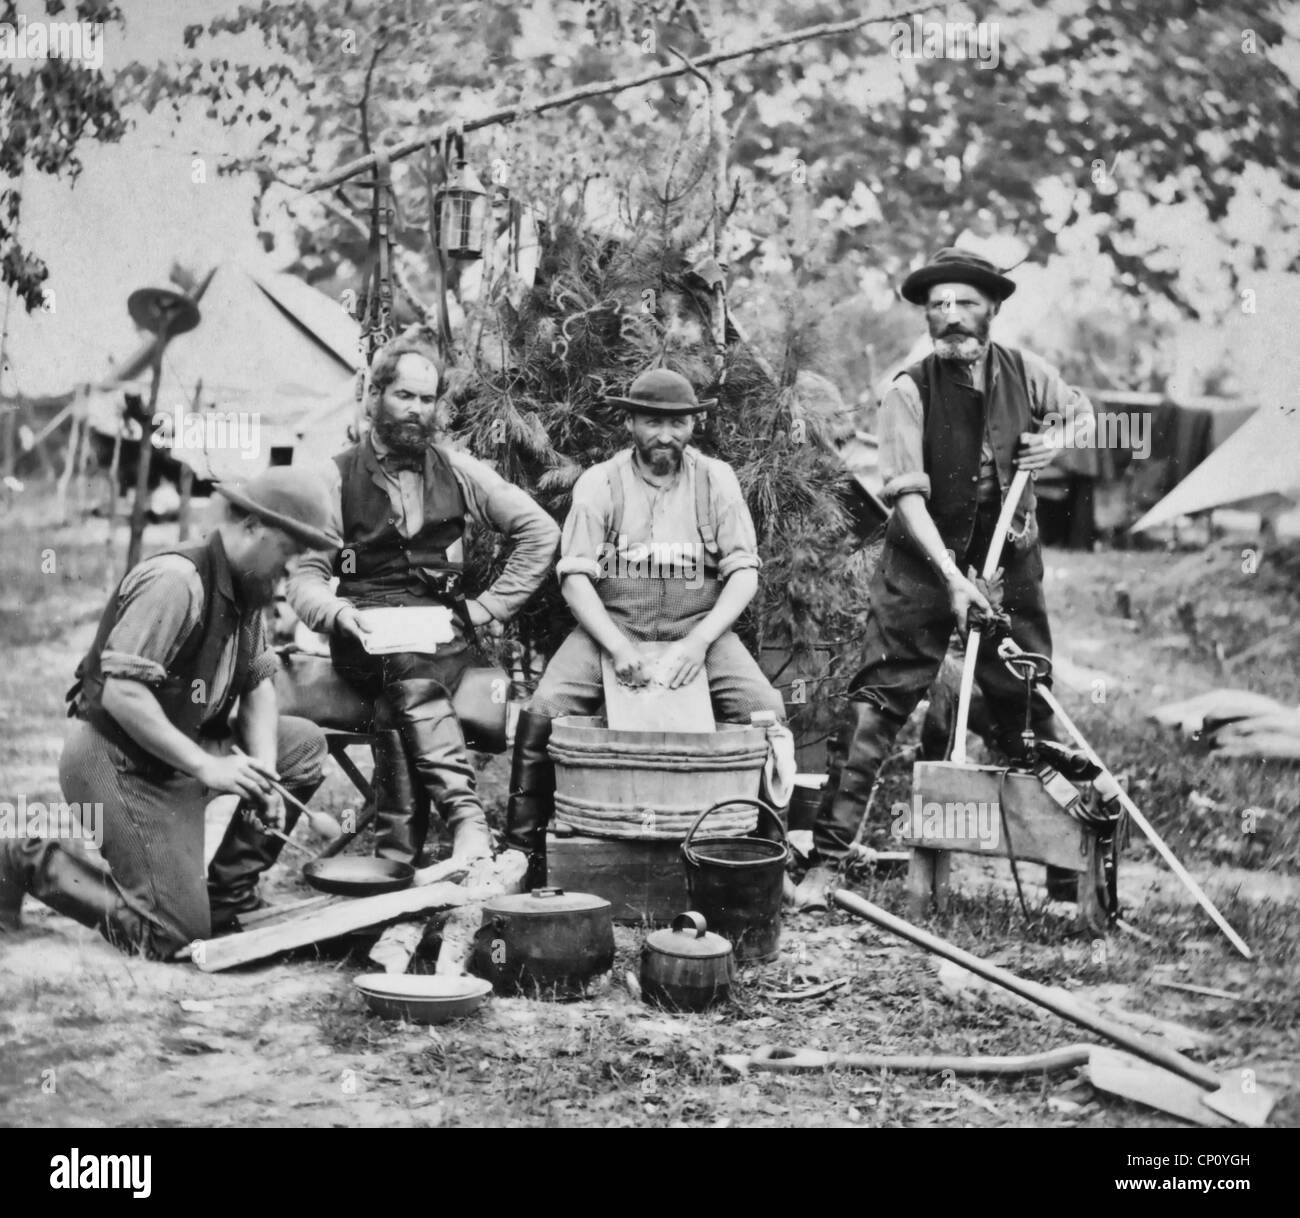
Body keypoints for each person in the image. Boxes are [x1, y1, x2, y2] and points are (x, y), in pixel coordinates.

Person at [799, 247, 1095, 906]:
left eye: (965, 304)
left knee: (1029, 699)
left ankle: (1065, 871)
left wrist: (1060, 441)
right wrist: (953, 582)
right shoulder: (909, 389)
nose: (951, 317)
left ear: (992, 309)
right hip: (923, 564)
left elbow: (1083, 413)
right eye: (938, 306)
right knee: (876, 706)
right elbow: (907, 502)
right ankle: (828, 862)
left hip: (1009, 560)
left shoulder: (1026, 372)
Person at [0, 468, 339, 957]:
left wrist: (263, 768)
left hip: (181, 750)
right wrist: (208, 766)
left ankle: (225, 900)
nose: (290, 571)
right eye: (288, 553)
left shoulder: (248, 586)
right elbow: (122, 694)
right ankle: (26, 857)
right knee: (170, 936)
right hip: (120, 762)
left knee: (301, 746)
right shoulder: (177, 581)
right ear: (250, 529)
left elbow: (260, 682)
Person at [502, 368, 786, 883]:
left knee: (763, 707)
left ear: (693, 426)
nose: (665, 436)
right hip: (614, 625)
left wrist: (700, 643)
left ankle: (766, 858)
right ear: (630, 421)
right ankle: (522, 854)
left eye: (678, 424)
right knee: (545, 708)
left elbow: (743, 573)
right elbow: (574, 578)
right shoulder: (600, 482)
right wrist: (615, 645)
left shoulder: (715, 480)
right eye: (653, 422)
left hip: (698, 624)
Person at [287, 333, 559, 867]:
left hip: (443, 638)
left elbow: (539, 531)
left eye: (427, 399)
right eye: (404, 396)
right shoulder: (334, 476)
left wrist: (488, 608)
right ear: (375, 397)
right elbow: (306, 579)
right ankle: (467, 821)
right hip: (365, 638)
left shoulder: (456, 470)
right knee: (404, 667)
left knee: (404, 692)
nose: (416, 410)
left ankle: (395, 859)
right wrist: (340, 613)